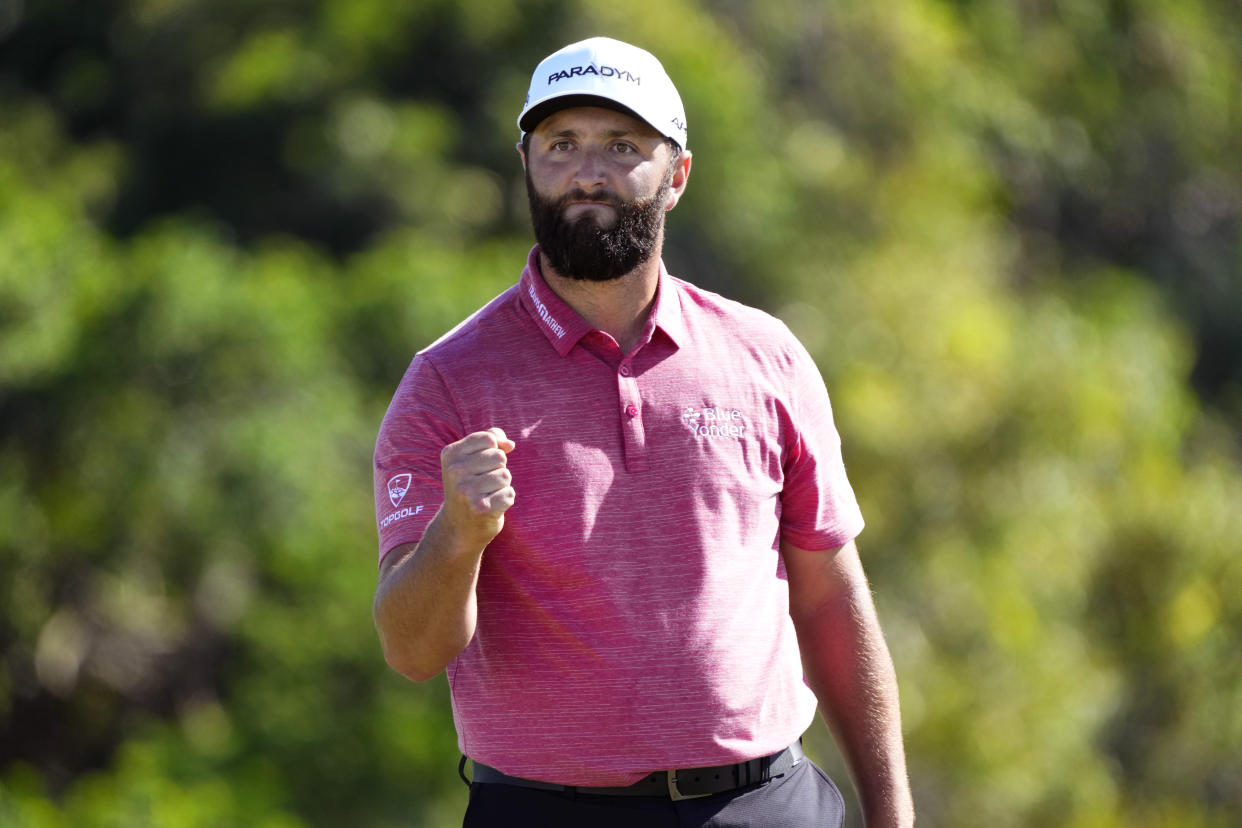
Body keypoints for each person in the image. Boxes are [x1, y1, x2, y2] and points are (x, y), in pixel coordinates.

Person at [371, 36, 914, 828]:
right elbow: (411, 651)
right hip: (544, 811)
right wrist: (456, 535)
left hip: (767, 803)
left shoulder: (766, 355)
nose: (587, 171)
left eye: (622, 146)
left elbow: (830, 597)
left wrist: (892, 814)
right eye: (561, 145)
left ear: (677, 174)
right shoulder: (447, 381)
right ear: (527, 163)